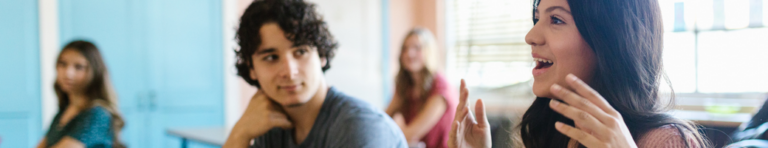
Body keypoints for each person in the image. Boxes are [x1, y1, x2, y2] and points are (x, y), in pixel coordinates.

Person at [448, 0, 711, 147]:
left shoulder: (666, 141)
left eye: (557, 20)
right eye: (537, 18)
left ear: (609, 39)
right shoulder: (549, 128)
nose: (531, 36)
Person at [222, 0, 408, 147]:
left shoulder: (360, 126)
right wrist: (241, 133)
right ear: (252, 69)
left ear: (321, 56)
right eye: (271, 57)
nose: (289, 71)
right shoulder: (270, 124)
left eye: (300, 52)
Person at [37, 40, 126, 148]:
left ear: (95, 72)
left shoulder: (97, 114)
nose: (68, 73)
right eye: (63, 64)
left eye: (78, 67)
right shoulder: (63, 111)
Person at [385, 28, 456, 148]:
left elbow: (412, 133)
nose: (409, 53)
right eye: (405, 48)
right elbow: (385, 116)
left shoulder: (440, 87)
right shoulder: (405, 85)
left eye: (417, 48)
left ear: (429, 52)